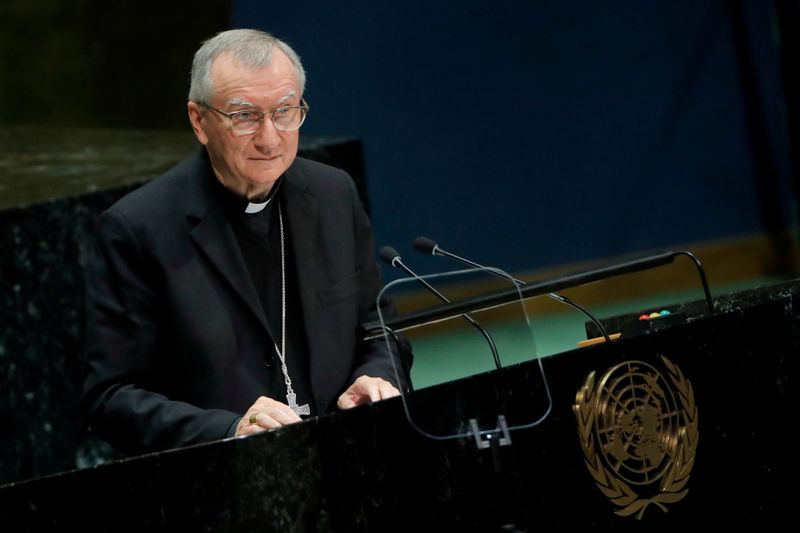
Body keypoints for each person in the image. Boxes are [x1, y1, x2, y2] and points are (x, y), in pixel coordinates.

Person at [82, 28, 407, 455]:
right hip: (221, 484)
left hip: (344, 460)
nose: (270, 138)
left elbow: (379, 330)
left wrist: (378, 377)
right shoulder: (137, 229)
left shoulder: (332, 195)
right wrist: (229, 429)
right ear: (199, 121)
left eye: (285, 111)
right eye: (245, 116)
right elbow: (111, 398)